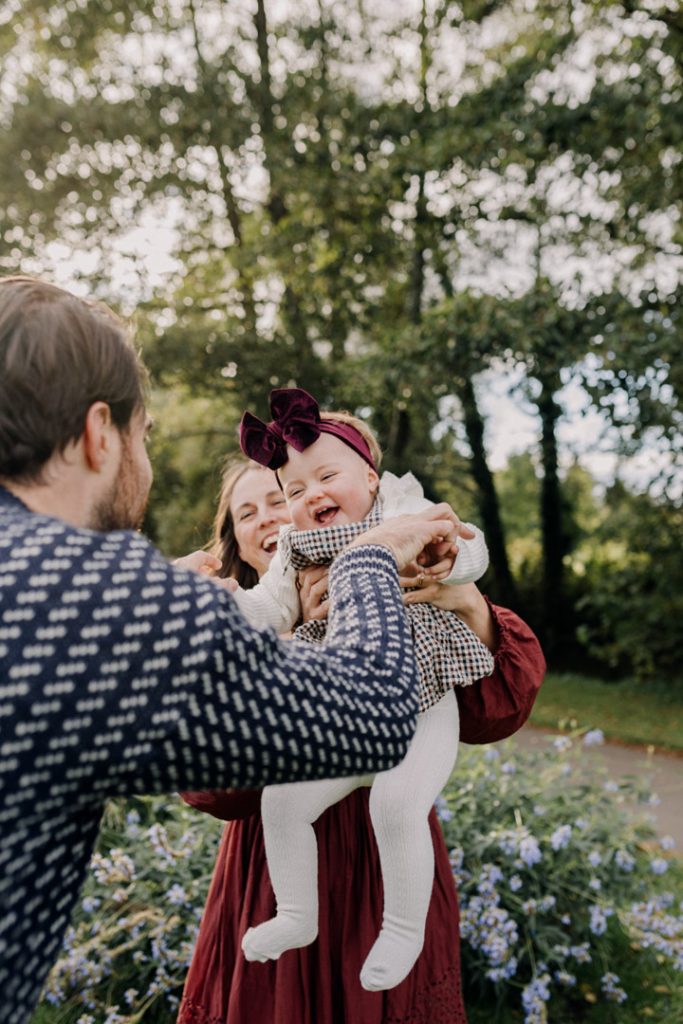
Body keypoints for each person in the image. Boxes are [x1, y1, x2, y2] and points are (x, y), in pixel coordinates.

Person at [0, 276, 470, 1024]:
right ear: (99, 434)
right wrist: (371, 558)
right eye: (145, 435)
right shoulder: (95, 598)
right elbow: (369, 715)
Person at [178, 458, 546, 1024]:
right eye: (247, 512)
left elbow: (496, 713)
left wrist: (465, 599)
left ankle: (397, 932)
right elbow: (210, 789)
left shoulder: (405, 573)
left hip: (387, 859)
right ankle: (295, 915)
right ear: (237, 540)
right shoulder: (242, 630)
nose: (273, 517)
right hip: (269, 874)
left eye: (279, 501)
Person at [234, 387, 493, 991]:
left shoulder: (403, 512)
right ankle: (297, 914)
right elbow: (265, 611)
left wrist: (447, 562)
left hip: (419, 696)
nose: (311, 494)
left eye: (327, 475)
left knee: (397, 805)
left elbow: (470, 551)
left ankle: (403, 927)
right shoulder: (293, 554)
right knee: (284, 801)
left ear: (374, 479)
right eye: (293, 491)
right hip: (345, 715)